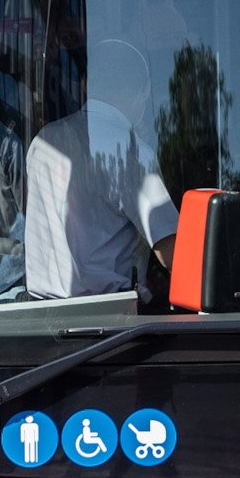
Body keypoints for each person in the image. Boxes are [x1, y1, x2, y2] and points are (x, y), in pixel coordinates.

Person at [21, 38, 177, 299]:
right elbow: (172, 253)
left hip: (40, 317)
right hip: (110, 322)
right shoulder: (131, 152)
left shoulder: (44, 141)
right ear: (144, 91)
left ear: (85, 84)